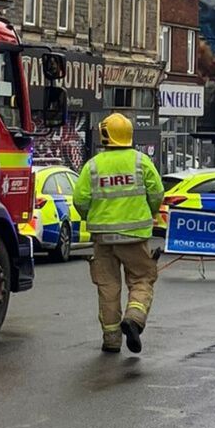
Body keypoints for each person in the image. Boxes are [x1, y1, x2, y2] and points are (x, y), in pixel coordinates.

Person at [73, 113, 163, 354]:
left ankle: (111, 340)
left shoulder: (93, 165)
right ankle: (133, 319)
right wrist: (150, 211)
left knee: (108, 286)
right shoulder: (141, 162)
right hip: (134, 236)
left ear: (105, 135)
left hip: (102, 238)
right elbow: (157, 193)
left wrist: (91, 216)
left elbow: (80, 200)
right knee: (142, 279)